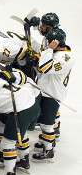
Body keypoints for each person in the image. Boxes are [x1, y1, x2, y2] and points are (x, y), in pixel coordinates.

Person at [0, 65, 41, 175]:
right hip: (32, 103)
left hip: (22, 110)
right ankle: (24, 160)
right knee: (18, 131)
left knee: (8, 143)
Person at [31, 28, 73, 163]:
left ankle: (48, 150)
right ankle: (45, 141)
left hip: (52, 94)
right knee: (43, 120)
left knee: (46, 124)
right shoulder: (59, 53)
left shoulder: (65, 58)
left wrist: (47, 51)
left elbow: (45, 68)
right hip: (45, 91)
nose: (47, 43)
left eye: (49, 41)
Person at [29, 12, 62, 141]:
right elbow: (42, 32)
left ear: (50, 28)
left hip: (50, 76)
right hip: (45, 74)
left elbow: (48, 64)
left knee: (52, 101)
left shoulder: (54, 41)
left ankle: (55, 126)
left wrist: (38, 58)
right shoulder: (51, 34)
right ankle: (53, 124)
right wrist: (35, 25)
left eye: (43, 25)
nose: (41, 27)